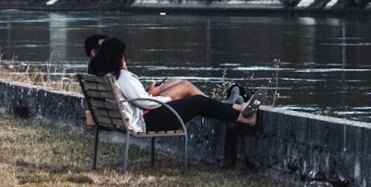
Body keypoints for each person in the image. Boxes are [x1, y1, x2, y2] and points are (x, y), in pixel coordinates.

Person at [89, 37, 258, 133]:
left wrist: (154, 94)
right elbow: (146, 102)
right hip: (146, 121)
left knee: (188, 93)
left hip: (133, 118)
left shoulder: (106, 76)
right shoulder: (122, 77)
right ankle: (244, 117)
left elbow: (137, 99)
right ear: (121, 57)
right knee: (198, 100)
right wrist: (169, 98)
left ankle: (232, 111)